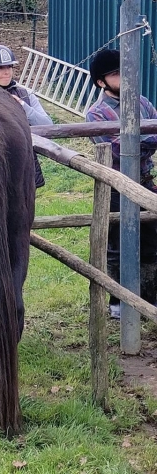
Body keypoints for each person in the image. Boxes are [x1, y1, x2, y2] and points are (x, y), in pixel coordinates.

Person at [85, 48, 157, 318]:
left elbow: (148, 135)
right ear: (101, 82)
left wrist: (141, 143)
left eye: (123, 71)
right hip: (116, 185)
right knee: (116, 245)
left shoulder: (141, 101)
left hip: (145, 182)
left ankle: (149, 299)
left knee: (150, 242)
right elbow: (119, 150)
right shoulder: (96, 114)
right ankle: (117, 302)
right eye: (116, 73)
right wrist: (144, 142)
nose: (123, 76)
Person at [0, 44, 52, 187]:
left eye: (9, 67)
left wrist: (24, 107)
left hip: (23, 161)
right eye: (0, 68)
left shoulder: (25, 93)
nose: (6, 72)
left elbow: (48, 125)